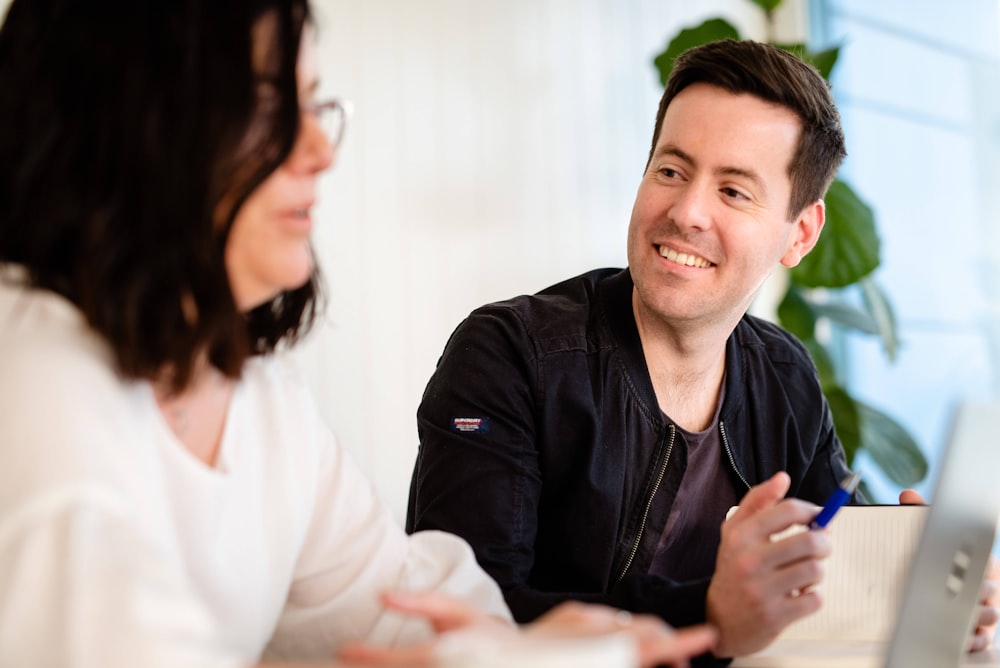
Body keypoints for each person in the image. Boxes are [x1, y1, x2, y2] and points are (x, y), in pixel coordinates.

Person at [0, 1, 718, 666]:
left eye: (313, 104)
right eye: (269, 105)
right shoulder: (34, 387)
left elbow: (395, 606)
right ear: (123, 120)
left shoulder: (255, 392)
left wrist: (522, 644)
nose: (320, 148)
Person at [406, 38, 999, 664]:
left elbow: (831, 568)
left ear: (799, 233)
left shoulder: (785, 375)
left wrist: (911, 577)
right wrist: (712, 613)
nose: (686, 211)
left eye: (734, 191)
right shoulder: (510, 355)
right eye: (671, 170)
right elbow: (467, 621)